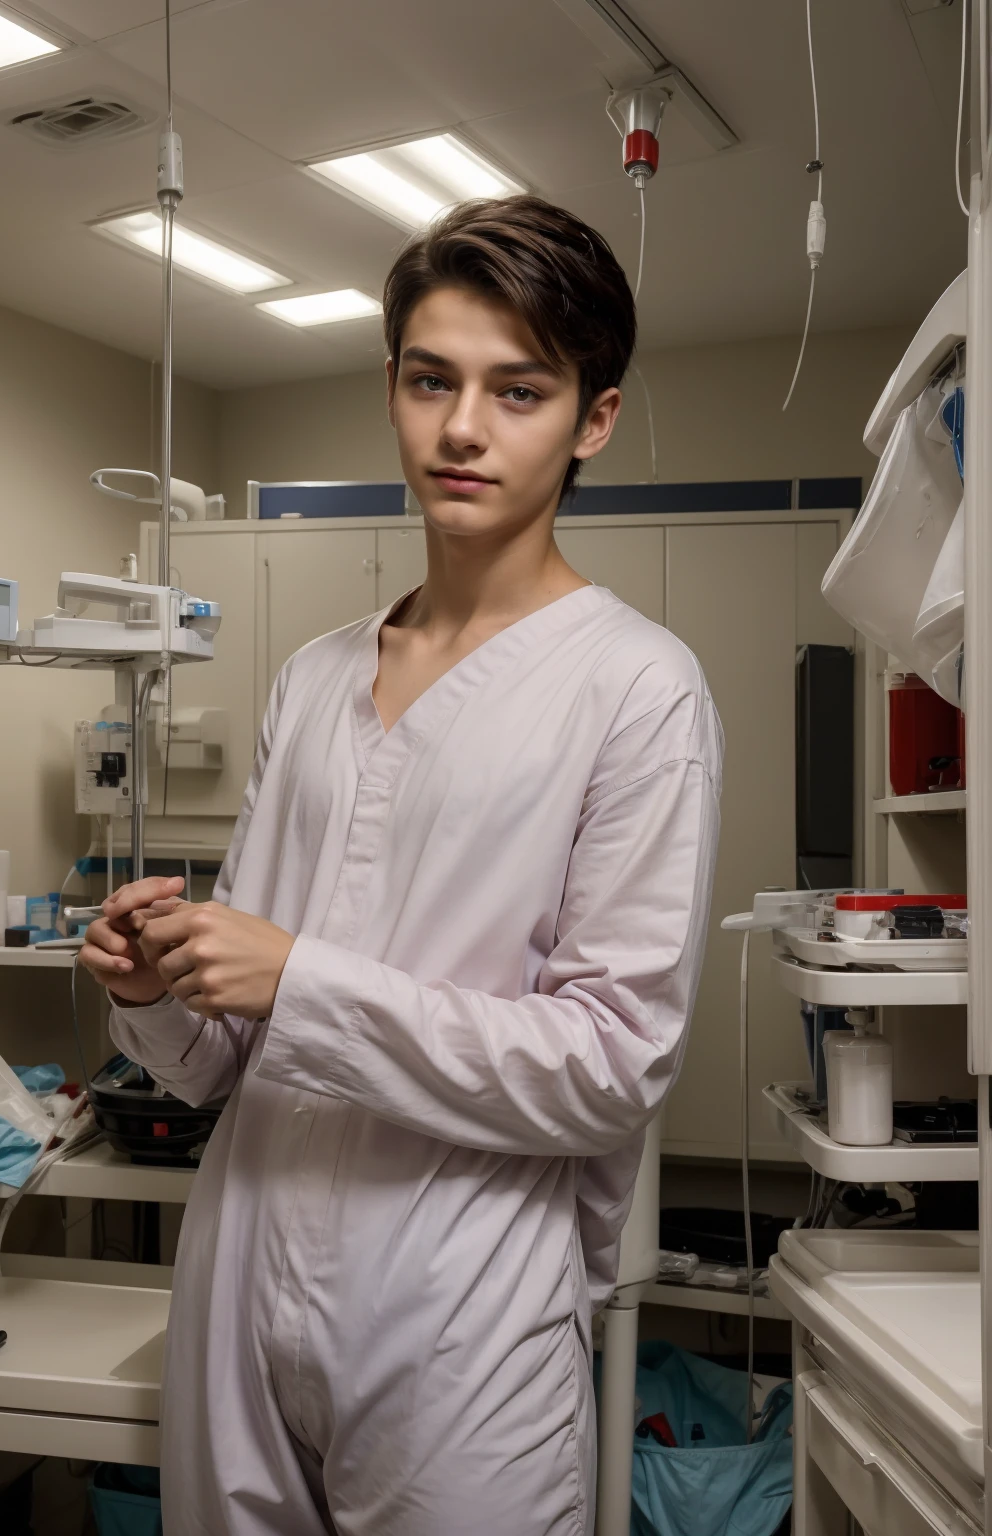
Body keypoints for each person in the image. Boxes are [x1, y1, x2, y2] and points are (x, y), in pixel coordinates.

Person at [80, 195, 722, 1536]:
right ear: (393, 387)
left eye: (519, 389)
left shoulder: (636, 689)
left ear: (592, 418)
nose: (464, 429)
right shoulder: (315, 680)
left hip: (461, 1307)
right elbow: (223, 1064)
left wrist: (297, 979)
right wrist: (158, 988)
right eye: (432, 380)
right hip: (243, 1273)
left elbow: (611, 1064)